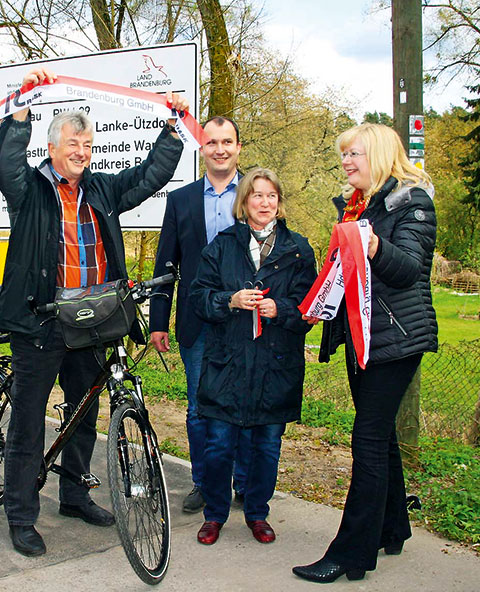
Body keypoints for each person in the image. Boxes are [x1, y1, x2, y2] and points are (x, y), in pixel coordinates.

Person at [0, 67, 187, 557]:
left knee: (85, 410)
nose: (82, 151)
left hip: (93, 320)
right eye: (73, 143)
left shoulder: (101, 189)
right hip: (39, 323)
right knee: (30, 420)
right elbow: (5, 166)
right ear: (53, 148)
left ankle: (75, 495)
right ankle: (21, 515)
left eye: (88, 144)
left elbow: (149, 176)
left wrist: (171, 129)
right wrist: (21, 113)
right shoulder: (29, 190)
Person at [292, 123, 437, 583]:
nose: (347, 162)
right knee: (382, 437)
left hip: (394, 341)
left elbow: (410, 269)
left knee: (368, 440)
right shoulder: (357, 206)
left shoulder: (412, 202)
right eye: (344, 156)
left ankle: (352, 553)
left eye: (354, 154)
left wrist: (374, 245)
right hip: (362, 337)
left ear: (377, 155)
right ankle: (392, 528)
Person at [190, 168, 316, 546]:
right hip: (227, 365)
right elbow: (198, 298)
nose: (264, 203)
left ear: (279, 203)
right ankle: (214, 515)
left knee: (266, 446)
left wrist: (283, 310)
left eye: (271, 196)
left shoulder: (298, 249)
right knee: (218, 445)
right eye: (256, 196)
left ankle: (257, 513)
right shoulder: (221, 246)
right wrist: (229, 300)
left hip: (275, 367)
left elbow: (311, 309)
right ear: (243, 203)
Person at [150, 116, 253, 513]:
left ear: (238, 147)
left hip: (245, 321)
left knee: (243, 404)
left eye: (228, 141)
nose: (220, 149)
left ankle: (243, 482)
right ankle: (205, 481)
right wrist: (159, 321)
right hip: (196, 321)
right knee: (199, 409)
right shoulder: (182, 200)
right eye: (212, 142)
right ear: (201, 148)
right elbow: (166, 264)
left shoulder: (256, 194)